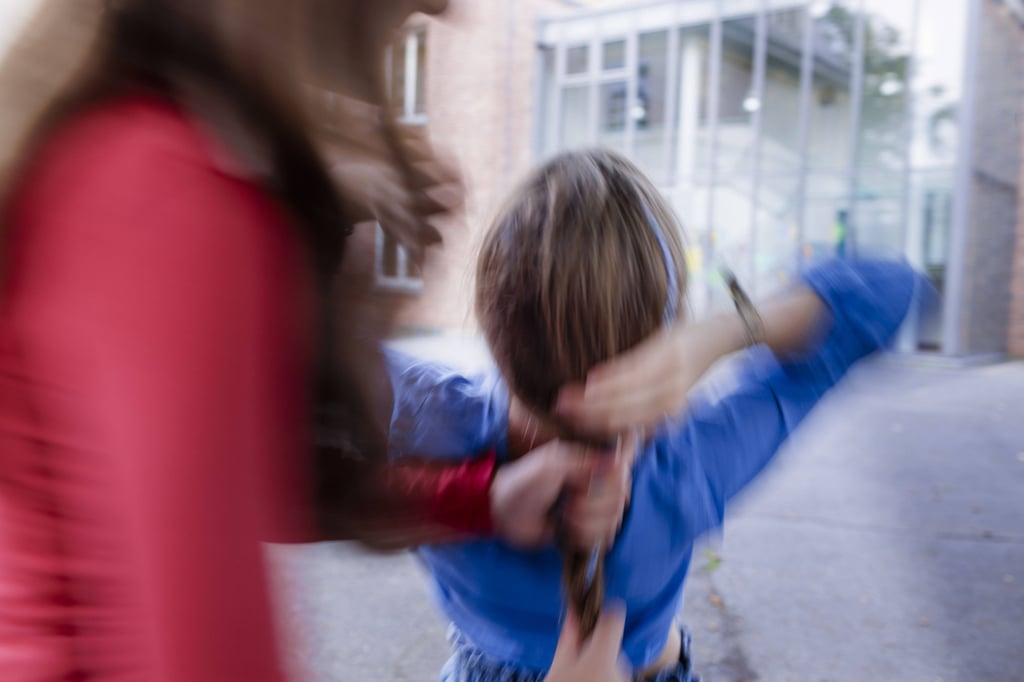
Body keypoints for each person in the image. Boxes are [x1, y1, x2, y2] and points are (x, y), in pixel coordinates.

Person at [0, 2, 630, 680]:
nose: (447, 8)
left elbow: (243, 486)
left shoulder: (117, 152)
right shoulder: (170, 204)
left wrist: (484, 498)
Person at [383, 149, 918, 680]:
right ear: (664, 330)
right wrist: (721, 335)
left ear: (487, 312)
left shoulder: (428, 421)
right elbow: (888, 291)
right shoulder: (690, 466)